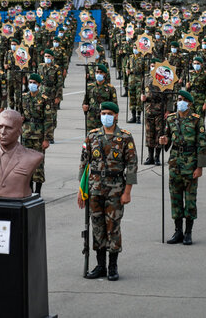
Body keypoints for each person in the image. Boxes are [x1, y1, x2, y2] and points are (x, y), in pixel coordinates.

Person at [77, 101, 138, 281]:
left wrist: (127, 192)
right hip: (95, 189)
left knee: (113, 227)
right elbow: (84, 163)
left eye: (109, 113)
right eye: (103, 113)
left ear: (116, 116)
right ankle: (100, 265)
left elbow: (132, 166)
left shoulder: (125, 137)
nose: (106, 116)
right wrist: (81, 189)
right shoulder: (92, 136)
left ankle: (113, 266)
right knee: (97, 226)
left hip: (115, 190)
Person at [159, 90, 206, 245]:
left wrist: (200, 167)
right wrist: (164, 141)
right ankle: (178, 231)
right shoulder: (171, 119)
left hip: (190, 162)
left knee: (190, 199)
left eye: (182, 100)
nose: (179, 102)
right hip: (174, 163)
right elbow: (167, 140)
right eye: (178, 99)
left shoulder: (196, 120)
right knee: (175, 198)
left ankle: (188, 232)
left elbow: (202, 145)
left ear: (189, 103)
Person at [19, 74, 54, 195]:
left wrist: (47, 139)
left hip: (39, 136)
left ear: (39, 84)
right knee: (26, 163)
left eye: (34, 82)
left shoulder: (44, 99)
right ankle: (29, 190)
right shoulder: (23, 97)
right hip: (26, 134)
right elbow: (19, 113)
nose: (31, 84)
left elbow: (49, 120)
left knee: (38, 164)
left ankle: (38, 191)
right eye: (30, 82)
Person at [82, 64, 118, 131]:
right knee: (90, 138)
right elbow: (85, 101)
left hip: (104, 118)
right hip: (91, 118)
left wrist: (114, 121)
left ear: (104, 74)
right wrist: (84, 107)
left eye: (101, 72)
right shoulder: (90, 87)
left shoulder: (110, 88)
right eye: (97, 72)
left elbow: (114, 106)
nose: (99, 74)